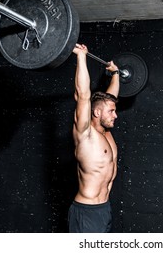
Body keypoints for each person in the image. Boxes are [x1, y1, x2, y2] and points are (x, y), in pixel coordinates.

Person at [68, 43, 120, 233]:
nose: (115, 115)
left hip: (104, 208)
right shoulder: (85, 134)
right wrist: (81, 57)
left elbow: (109, 99)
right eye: (112, 112)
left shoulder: (106, 131)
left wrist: (115, 74)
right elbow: (83, 96)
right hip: (86, 212)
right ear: (97, 113)